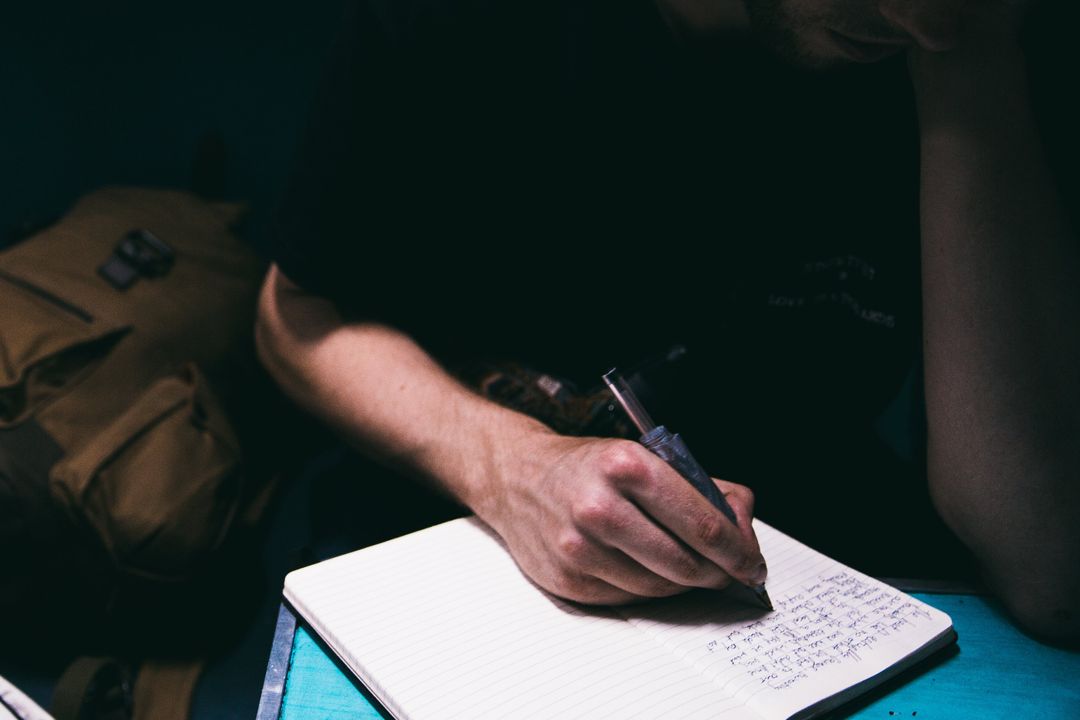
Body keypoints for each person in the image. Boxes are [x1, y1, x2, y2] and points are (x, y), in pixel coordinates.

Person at [256, 0, 1079, 643]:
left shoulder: (974, 34)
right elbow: (295, 317)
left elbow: (1051, 569)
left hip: (814, 585)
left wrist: (969, 71)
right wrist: (508, 466)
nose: (923, 19)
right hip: (454, 536)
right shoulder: (470, 15)